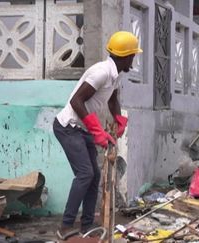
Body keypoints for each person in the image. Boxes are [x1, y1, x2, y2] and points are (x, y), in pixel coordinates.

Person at [53, 31, 142, 239]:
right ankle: (65, 227)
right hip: (67, 127)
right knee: (85, 174)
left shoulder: (115, 74)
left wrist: (119, 119)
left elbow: (112, 99)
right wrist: (97, 131)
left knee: (93, 177)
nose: (134, 59)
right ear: (124, 56)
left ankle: (86, 226)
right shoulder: (101, 72)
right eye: (133, 55)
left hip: (82, 129)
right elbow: (77, 101)